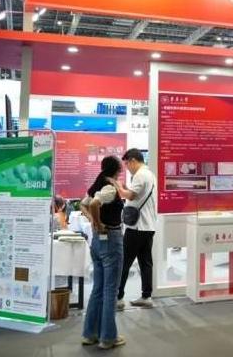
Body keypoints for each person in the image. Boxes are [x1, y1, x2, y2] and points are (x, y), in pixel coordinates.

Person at [80, 156, 125, 350]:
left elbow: (83, 204)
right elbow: (93, 205)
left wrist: (93, 222)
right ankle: (108, 338)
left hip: (97, 244)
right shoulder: (109, 188)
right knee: (110, 291)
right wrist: (98, 223)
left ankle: (90, 334)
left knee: (98, 289)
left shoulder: (97, 185)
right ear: (116, 170)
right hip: (111, 240)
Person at [110, 149, 158, 310]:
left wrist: (117, 185)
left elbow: (129, 196)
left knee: (124, 262)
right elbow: (135, 195)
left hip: (137, 227)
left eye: (127, 164)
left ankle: (118, 298)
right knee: (145, 262)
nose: (127, 168)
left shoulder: (140, 175)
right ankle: (146, 296)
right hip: (148, 226)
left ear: (133, 160)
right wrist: (124, 188)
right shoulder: (150, 175)